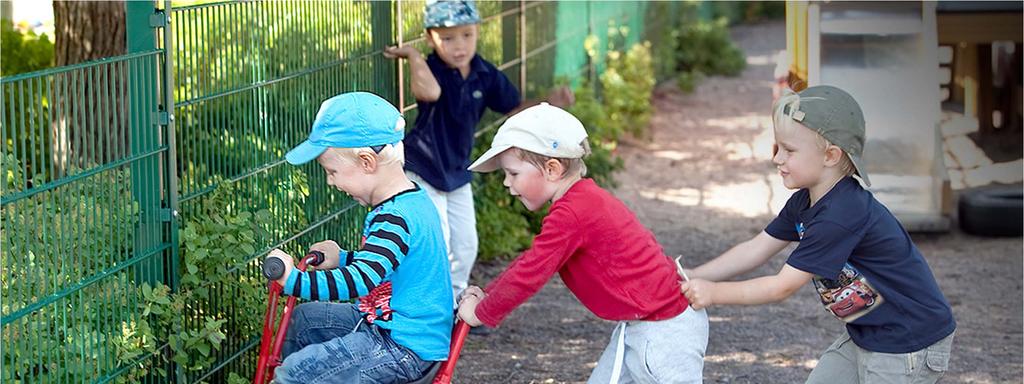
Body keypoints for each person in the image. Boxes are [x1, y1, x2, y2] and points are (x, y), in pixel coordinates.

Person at [680, 85, 956, 383]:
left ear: (830, 155)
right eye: (777, 148)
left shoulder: (840, 215)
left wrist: (713, 293)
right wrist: (694, 274)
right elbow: (755, 248)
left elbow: (781, 287)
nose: (777, 158)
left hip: (907, 343)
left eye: (789, 150)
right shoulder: (806, 200)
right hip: (869, 334)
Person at [455, 103, 708, 383]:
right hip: (644, 323)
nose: (506, 182)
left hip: (664, 332)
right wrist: (488, 294)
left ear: (552, 169)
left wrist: (481, 312)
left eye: (513, 173)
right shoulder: (579, 202)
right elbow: (531, 262)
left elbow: (531, 272)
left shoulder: (574, 212)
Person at [383, 0, 573, 303]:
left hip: (458, 171)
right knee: (438, 241)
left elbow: (514, 109)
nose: (459, 46)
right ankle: (430, 306)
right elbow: (429, 93)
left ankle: (456, 302)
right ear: (430, 37)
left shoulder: (484, 73)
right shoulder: (433, 68)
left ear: (477, 32)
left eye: (467, 35)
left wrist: (548, 103)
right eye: (447, 38)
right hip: (425, 167)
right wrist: (414, 55)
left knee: (466, 244)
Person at [266, 91, 453, 383]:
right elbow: (393, 263)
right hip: (393, 329)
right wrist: (343, 258)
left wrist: (292, 280)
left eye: (332, 171)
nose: (331, 182)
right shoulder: (411, 200)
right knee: (304, 321)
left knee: (296, 373)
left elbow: (361, 280)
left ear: (367, 161)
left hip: (401, 347)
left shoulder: (393, 217)